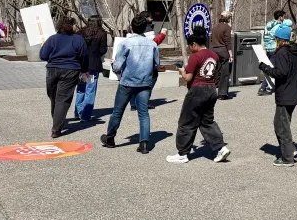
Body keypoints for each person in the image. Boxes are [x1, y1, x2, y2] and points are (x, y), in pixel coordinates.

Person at [167, 29, 230, 164]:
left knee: (186, 122)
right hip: (211, 89)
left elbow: (188, 77)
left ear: (194, 44)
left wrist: (182, 71)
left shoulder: (195, 56)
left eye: (190, 46)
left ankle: (182, 153)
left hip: (197, 91)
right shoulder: (214, 55)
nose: (190, 49)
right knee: (207, 121)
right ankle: (221, 148)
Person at [100, 15, 159, 154]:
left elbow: (117, 66)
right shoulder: (152, 44)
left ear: (132, 27)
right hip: (144, 81)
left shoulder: (126, 43)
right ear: (145, 27)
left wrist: (114, 65)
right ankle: (144, 143)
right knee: (143, 113)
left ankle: (110, 138)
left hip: (127, 81)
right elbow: (156, 64)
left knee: (118, 111)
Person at [258, 24, 297, 166]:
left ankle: (287, 158)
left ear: (279, 39)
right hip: (294, 92)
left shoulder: (282, 52)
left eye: (275, 38)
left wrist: (265, 67)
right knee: (284, 123)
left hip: (285, 94)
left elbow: (281, 73)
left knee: (280, 125)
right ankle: (290, 149)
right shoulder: (295, 50)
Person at [39, 16, 88, 138]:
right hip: (70, 70)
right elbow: (84, 57)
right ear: (70, 26)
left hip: (52, 70)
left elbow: (43, 55)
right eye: (75, 25)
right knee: (62, 99)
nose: (76, 27)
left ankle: (57, 123)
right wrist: (84, 70)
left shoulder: (52, 39)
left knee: (54, 97)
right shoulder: (78, 39)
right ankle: (56, 127)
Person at [76, 15, 107, 122]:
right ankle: (85, 115)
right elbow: (103, 50)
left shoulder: (80, 32)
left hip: (81, 65)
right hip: (93, 65)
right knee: (90, 89)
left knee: (81, 88)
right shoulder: (101, 33)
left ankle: (78, 112)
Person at [210, 11, 234, 101]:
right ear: (227, 18)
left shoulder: (215, 26)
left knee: (216, 71)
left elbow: (211, 38)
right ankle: (223, 93)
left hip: (215, 50)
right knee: (225, 72)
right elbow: (228, 42)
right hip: (223, 50)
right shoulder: (227, 27)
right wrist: (231, 55)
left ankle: (214, 90)